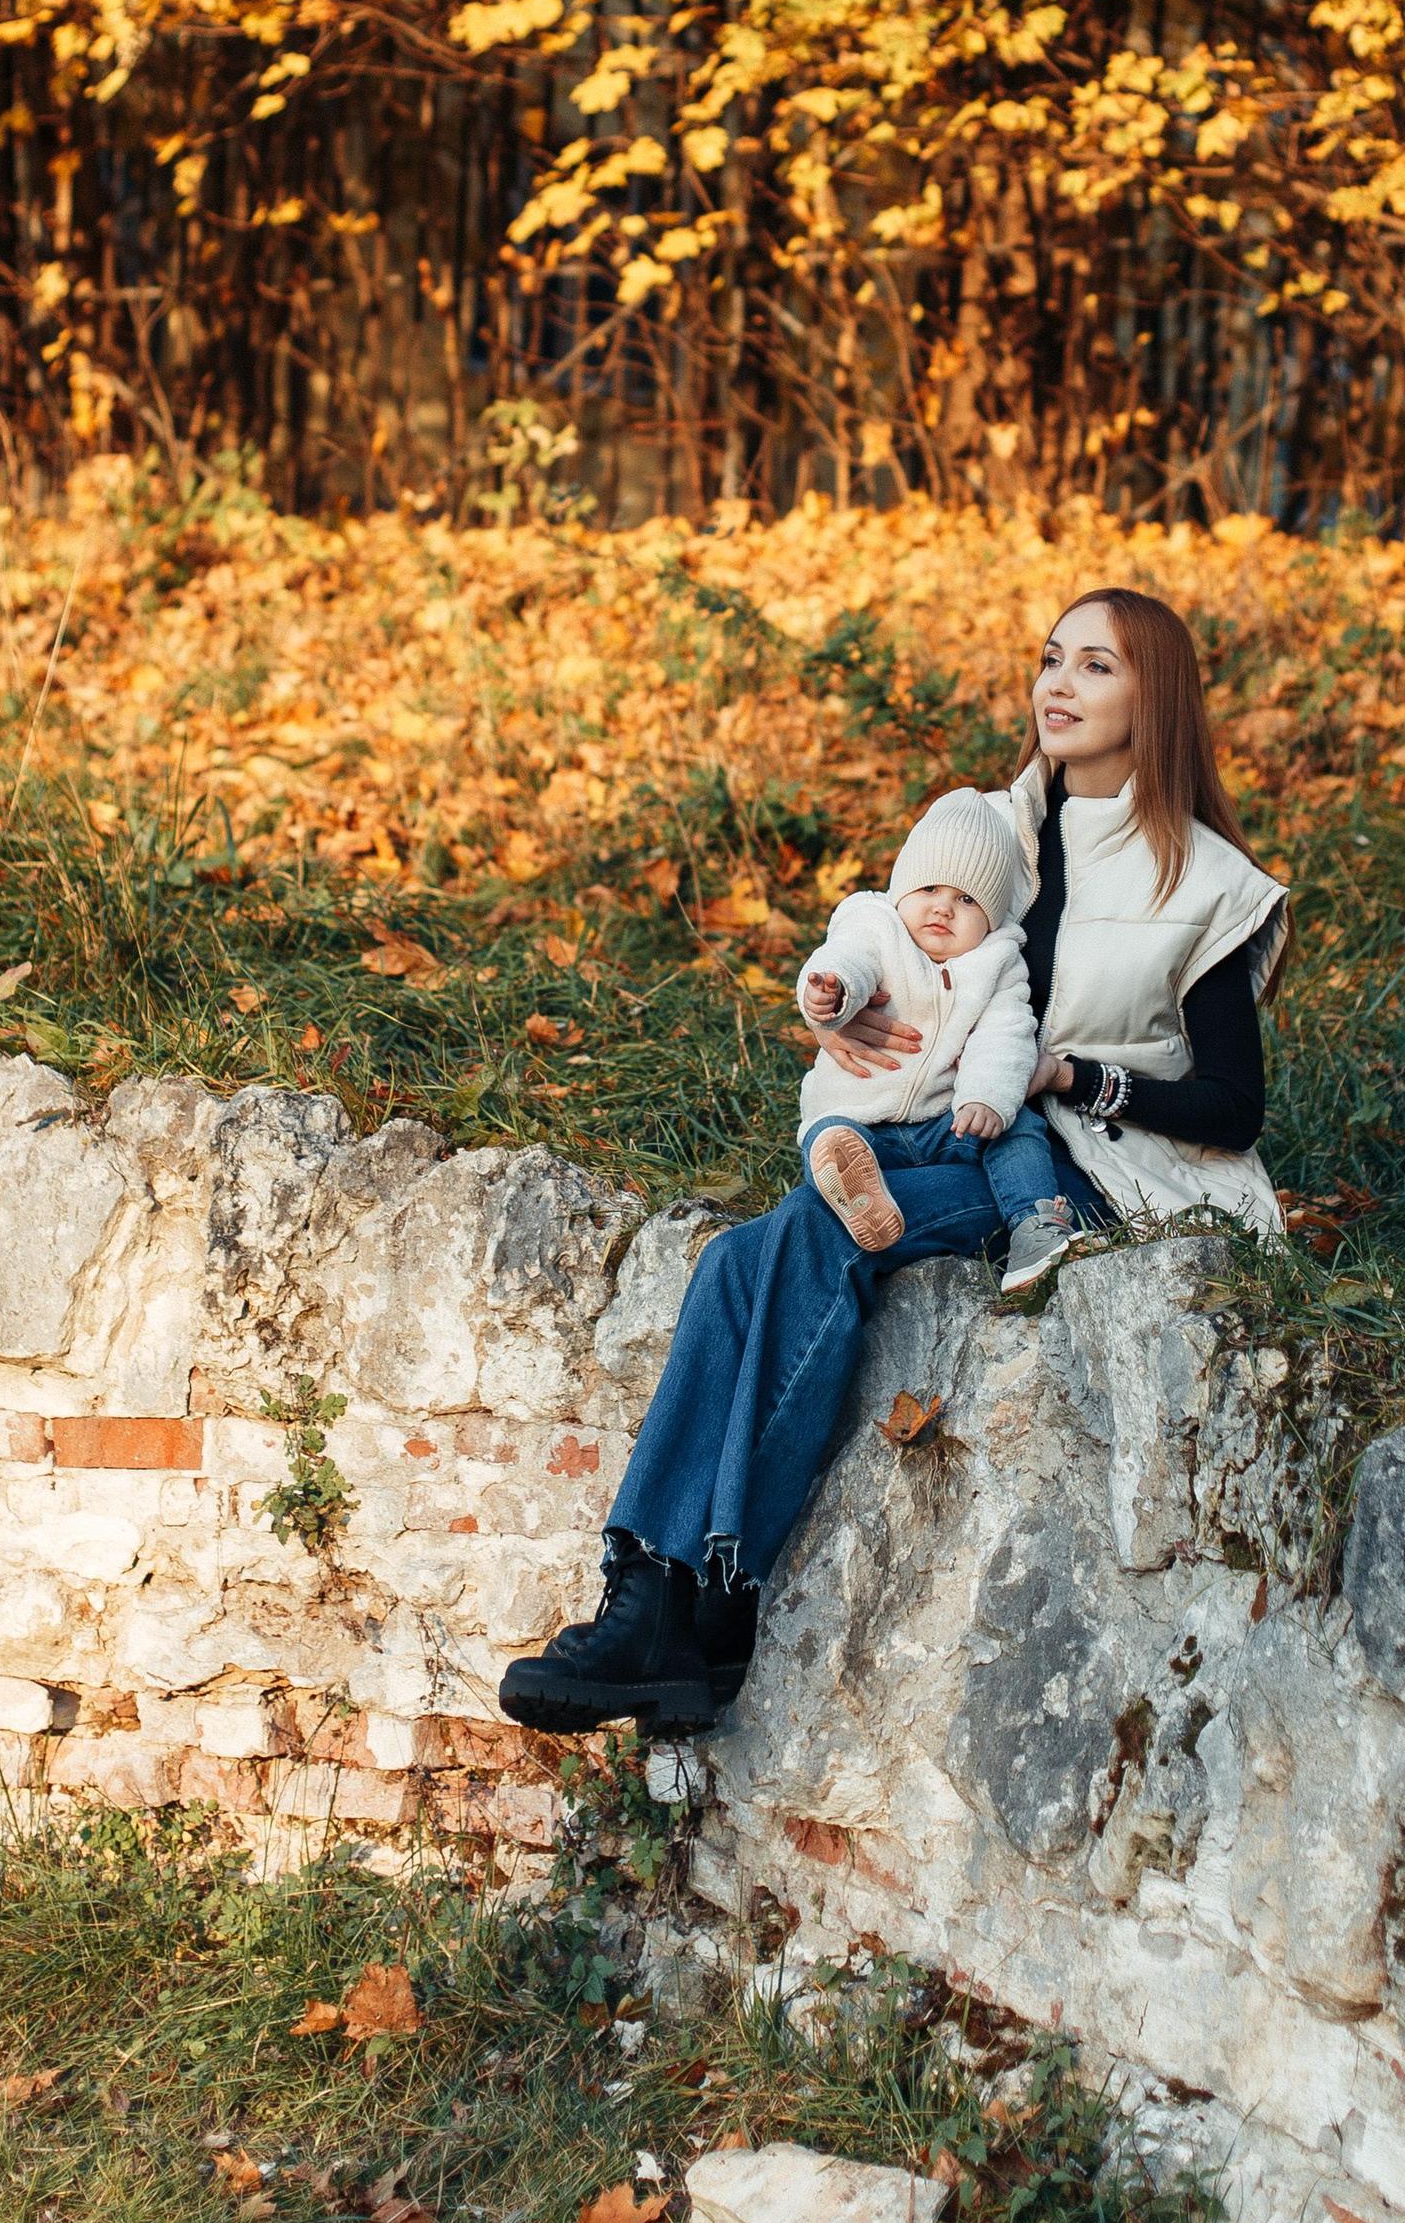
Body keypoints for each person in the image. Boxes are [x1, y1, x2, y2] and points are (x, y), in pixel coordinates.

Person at [497, 586, 1289, 1735]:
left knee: (821, 1234)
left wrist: (1068, 1076)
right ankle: (662, 1592)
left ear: (1153, 696)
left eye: (1095, 667)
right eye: (1049, 659)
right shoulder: (989, 828)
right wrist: (845, 1016)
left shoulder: (1201, 879)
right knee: (736, 1261)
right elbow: (889, 947)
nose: (1057, 685)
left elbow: (1235, 1107)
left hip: (1102, 1174)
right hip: (944, 1126)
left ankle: (695, 1602)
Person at [793, 787, 1060, 1275]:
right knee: (829, 1139)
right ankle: (858, 1195)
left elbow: (1007, 1034)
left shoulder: (997, 964)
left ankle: (1036, 1228)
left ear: (992, 917)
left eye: (966, 899)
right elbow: (845, 960)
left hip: (946, 1122)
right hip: (863, 1120)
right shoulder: (877, 928)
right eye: (929, 890)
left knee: (1019, 1124)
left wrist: (985, 1098)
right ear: (902, 892)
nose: (943, 909)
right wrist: (830, 994)